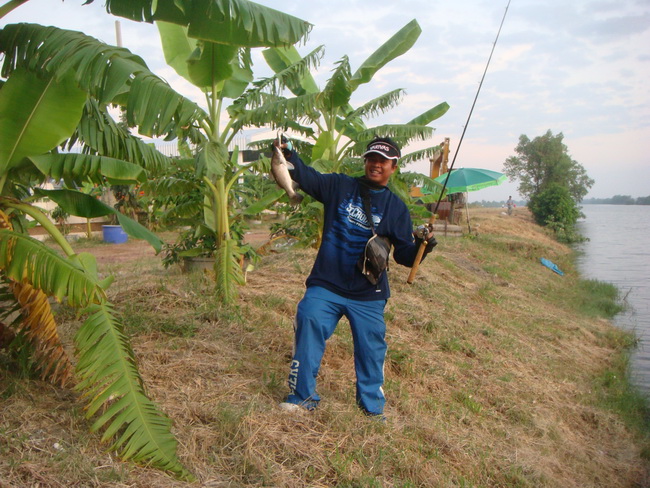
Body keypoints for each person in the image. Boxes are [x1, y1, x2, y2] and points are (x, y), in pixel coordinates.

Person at [276, 136, 437, 418]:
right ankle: (302, 398)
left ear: (393, 167)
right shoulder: (339, 185)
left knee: (372, 350)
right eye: (372, 159)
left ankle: (372, 410)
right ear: (365, 161)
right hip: (327, 283)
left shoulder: (396, 208)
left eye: (383, 161)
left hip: (368, 293)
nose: (376, 165)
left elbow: (404, 257)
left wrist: (425, 244)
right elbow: (306, 176)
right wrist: (288, 152)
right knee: (309, 319)